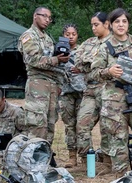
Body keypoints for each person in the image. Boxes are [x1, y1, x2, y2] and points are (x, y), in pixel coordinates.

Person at [92, 8, 132, 176]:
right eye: (117, 22)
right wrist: (109, 71)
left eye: (124, 21)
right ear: (110, 25)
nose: (121, 25)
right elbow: (93, 73)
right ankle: (121, 177)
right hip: (114, 101)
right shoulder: (104, 47)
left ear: (128, 23)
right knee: (117, 141)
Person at [18, 6, 69, 148]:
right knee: (37, 123)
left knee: (50, 124)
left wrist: (58, 84)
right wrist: (56, 60)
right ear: (35, 16)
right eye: (44, 16)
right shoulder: (28, 36)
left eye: (49, 18)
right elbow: (32, 60)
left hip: (52, 84)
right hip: (38, 84)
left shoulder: (47, 38)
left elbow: (52, 63)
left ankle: (45, 156)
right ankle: (33, 158)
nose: (47, 20)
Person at [74, 11, 112, 172]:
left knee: (107, 126)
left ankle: (107, 160)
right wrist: (92, 65)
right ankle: (85, 160)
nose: (93, 28)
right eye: (92, 25)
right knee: (82, 124)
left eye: (96, 24)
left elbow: (113, 66)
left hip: (107, 88)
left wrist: (90, 65)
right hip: (90, 88)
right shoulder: (88, 43)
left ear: (107, 24)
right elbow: (78, 62)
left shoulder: (114, 42)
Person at [57, 23, 86, 168]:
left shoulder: (83, 50)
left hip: (82, 90)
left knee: (83, 125)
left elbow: (91, 66)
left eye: (73, 34)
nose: (70, 37)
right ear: (63, 35)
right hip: (66, 91)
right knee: (69, 125)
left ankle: (85, 157)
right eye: (67, 34)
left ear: (77, 35)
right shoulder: (58, 51)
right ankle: (72, 156)